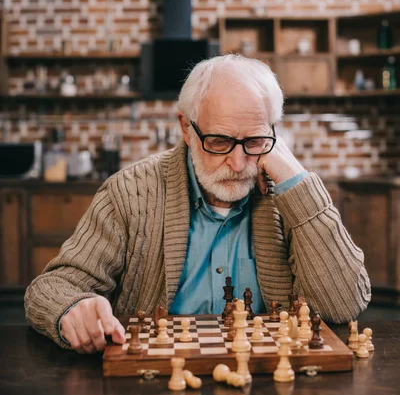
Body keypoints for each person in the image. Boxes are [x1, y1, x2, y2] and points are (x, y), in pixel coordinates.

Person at [25, 54, 371, 353]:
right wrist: (73, 307)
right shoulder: (129, 192)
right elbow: (51, 288)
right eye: (219, 141)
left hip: (265, 383)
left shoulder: (290, 195)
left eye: (254, 140)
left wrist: (297, 180)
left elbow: (342, 306)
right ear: (187, 130)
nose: (237, 163)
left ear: (274, 134)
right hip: (151, 390)